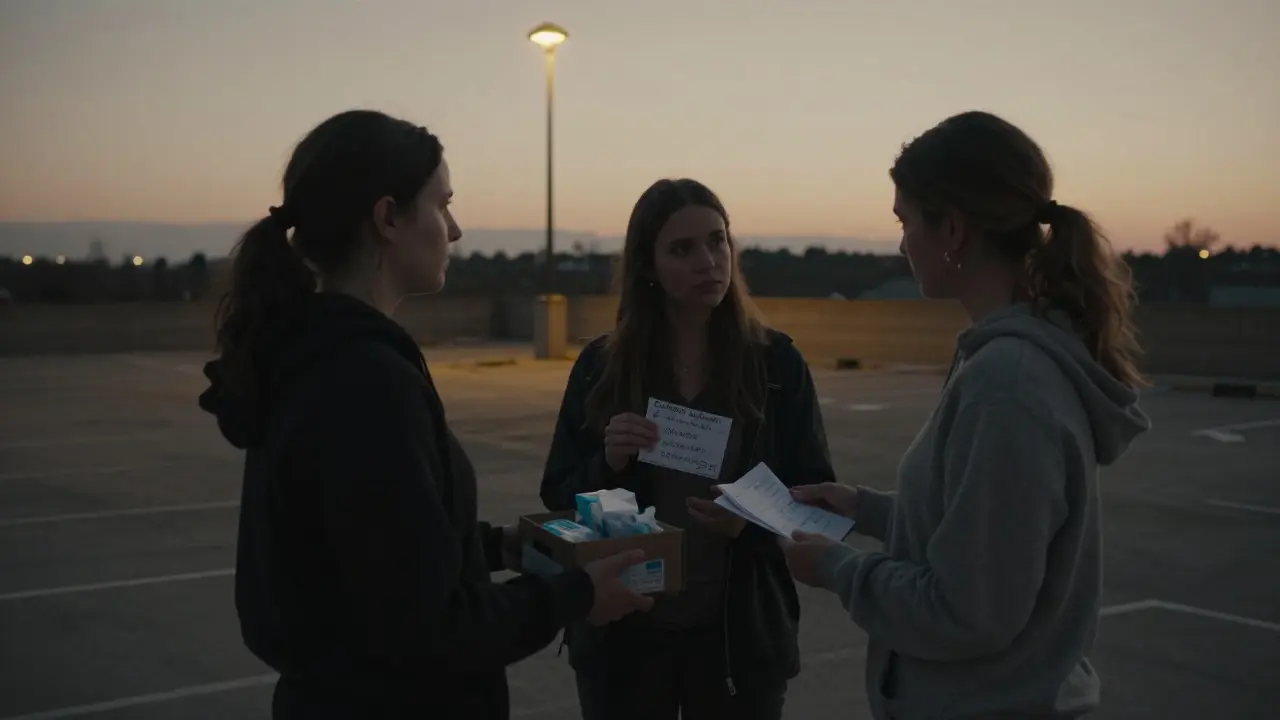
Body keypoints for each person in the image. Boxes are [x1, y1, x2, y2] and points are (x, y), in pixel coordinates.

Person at [196, 109, 653, 720]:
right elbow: (432, 631)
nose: (456, 229)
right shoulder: (363, 381)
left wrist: (493, 548)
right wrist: (577, 594)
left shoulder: (306, 354)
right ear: (388, 218)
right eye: (442, 205)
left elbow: (366, 562)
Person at [781, 110, 1152, 720]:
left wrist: (841, 570)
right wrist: (866, 509)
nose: (902, 244)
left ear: (952, 229)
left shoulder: (1008, 385)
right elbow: (990, 537)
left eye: (906, 221)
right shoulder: (1011, 363)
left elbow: (968, 611)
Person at [539, 178, 836, 719]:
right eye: (683, 249)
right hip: (626, 636)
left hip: (736, 639)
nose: (708, 261)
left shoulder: (774, 366)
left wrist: (748, 525)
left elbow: (813, 498)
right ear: (647, 267)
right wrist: (606, 463)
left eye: (718, 241)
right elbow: (558, 497)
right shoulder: (602, 368)